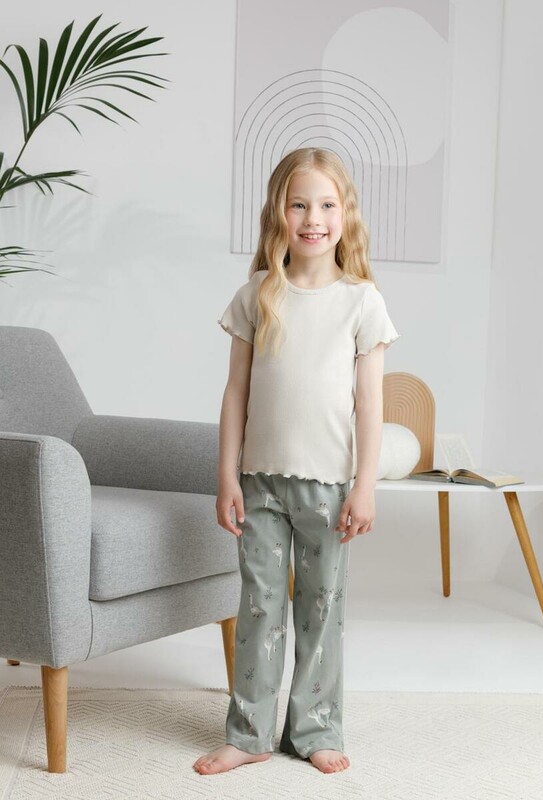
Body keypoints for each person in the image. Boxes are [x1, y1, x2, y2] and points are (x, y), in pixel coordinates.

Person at [194, 147, 400, 776]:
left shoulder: (362, 301)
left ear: (346, 213)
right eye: (299, 204)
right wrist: (226, 476)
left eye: (327, 205)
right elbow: (235, 392)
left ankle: (314, 729)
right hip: (259, 482)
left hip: (330, 487)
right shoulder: (257, 294)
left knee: (321, 607)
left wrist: (365, 487)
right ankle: (250, 732)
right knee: (260, 604)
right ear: (277, 213)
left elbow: (371, 405)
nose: (313, 218)